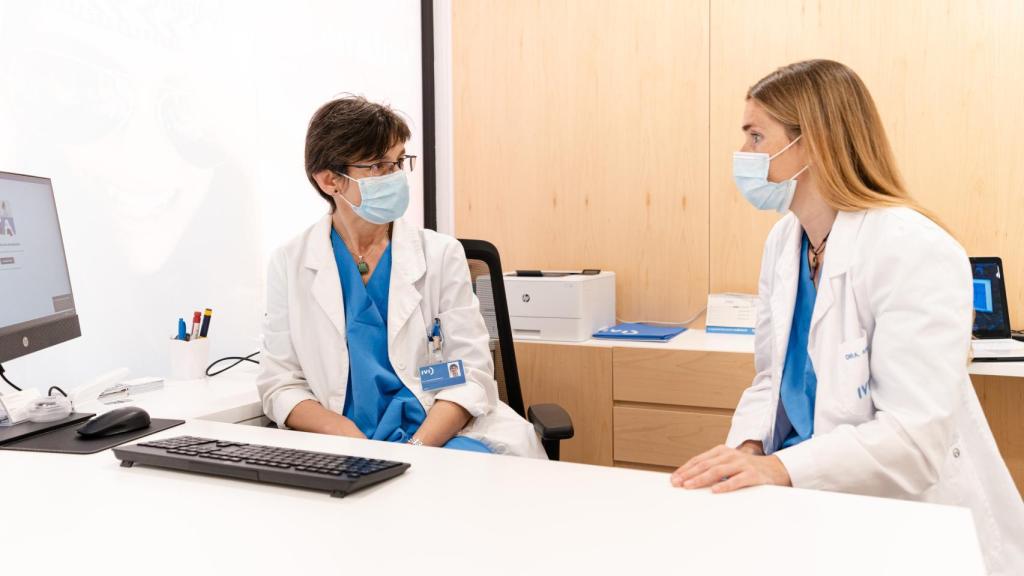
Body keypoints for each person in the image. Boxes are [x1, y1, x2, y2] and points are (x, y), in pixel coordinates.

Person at [670, 60, 1023, 575]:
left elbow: (912, 440)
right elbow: (772, 379)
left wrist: (777, 467)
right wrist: (748, 447)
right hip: (806, 502)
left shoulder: (912, 248)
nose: (743, 155)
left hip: (901, 517)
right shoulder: (784, 242)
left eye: (755, 136)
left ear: (810, 143)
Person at [257, 96, 545, 458]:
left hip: (439, 435)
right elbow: (280, 383)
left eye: (398, 162)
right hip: (345, 442)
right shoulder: (290, 262)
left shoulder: (440, 255)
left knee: (452, 488)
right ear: (331, 181)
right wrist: (349, 438)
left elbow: (469, 372)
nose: (394, 177)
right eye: (378, 166)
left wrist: (416, 449)